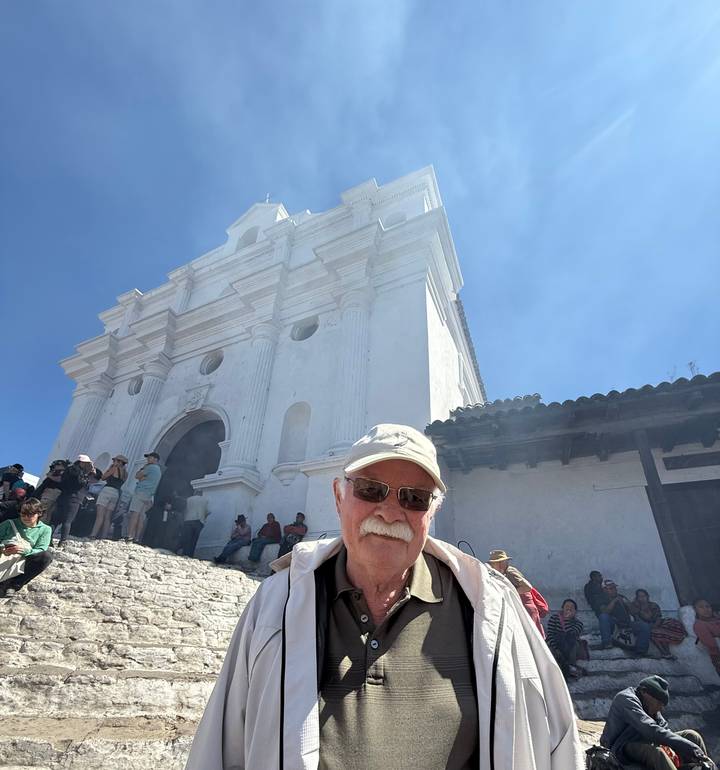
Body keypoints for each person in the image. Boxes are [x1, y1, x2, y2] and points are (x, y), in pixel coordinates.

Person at [186, 423, 583, 770]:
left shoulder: (491, 608)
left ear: (432, 513)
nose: (391, 512)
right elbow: (222, 748)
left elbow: (555, 743)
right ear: (339, 497)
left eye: (414, 498)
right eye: (371, 490)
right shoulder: (277, 602)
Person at [600, 675, 714, 769]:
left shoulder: (650, 706)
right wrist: (691, 748)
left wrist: (692, 749)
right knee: (657, 752)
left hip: (643, 740)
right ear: (645, 692)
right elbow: (651, 730)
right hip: (621, 746)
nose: (660, 708)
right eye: (659, 703)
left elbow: (663, 728)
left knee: (692, 736)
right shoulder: (626, 699)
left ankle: (704, 766)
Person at [0, 498, 53, 598]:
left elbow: (41, 549)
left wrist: (25, 551)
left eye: (30, 514)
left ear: (39, 514)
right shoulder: (9, 524)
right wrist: (3, 548)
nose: (26, 517)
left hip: (24, 560)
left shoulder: (45, 529)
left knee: (46, 556)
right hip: (4, 558)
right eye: (23, 514)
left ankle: (14, 585)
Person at [488, 549, 546, 635]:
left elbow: (527, 587)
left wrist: (508, 592)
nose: (494, 565)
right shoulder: (500, 574)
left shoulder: (510, 572)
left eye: (496, 563)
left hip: (525, 609)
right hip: (517, 609)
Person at [630, 589, 687, 660]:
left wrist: (655, 625)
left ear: (647, 596)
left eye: (643, 596)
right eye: (639, 596)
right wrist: (641, 611)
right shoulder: (635, 606)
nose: (642, 598)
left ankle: (668, 651)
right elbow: (637, 619)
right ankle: (664, 653)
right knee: (654, 632)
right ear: (637, 598)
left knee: (665, 627)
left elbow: (658, 618)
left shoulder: (653, 605)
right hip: (644, 625)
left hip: (656, 623)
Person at [597, 580, 650, 653]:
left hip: (626, 623)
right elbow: (605, 611)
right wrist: (614, 601)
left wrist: (628, 603)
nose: (614, 590)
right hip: (613, 624)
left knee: (644, 626)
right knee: (603, 617)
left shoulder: (621, 597)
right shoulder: (601, 599)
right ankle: (607, 643)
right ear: (604, 590)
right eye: (611, 588)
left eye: (615, 588)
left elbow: (634, 612)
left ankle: (641, 650)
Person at [56, 455, 95, 546]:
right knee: (68, 520)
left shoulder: (68, 470)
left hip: (63, 496)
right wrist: (88, 474)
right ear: (83, 463)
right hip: (74, 498)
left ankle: (49, 540)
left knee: (56, 520)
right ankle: (63, 541)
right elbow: (81, 482)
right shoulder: (79, 472)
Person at [126, 452, 162, 543]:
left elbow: (137, 475)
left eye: (150, 457)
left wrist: (143, 471)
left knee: (135, 514)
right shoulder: (158, 470)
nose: (148, 459)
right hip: (149, 495)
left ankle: (129, 536)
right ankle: (137, 538)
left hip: (141, 492)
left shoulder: (149, 467)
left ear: (155, 459)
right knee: (141, 517)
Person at [90, 455, 128, 539]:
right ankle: (104, 536)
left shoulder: (114, 468)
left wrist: (109, 469)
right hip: (116, 493)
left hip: (107, 490)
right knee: (108, 516)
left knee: (100, 515)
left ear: (119, 462)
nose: (113, 462)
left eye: (115, 460)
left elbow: (103, 477)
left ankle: (93, 534)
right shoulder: (125, 473)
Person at [546, 598, 585, 679]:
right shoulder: (554, 618)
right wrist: (555, 648)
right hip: (556, 644)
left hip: (570, 646)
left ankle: (569, 665)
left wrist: (566, 620)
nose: (569, 608)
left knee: (569, 639)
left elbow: (571, 634)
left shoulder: (578, 623)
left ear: (575, 611)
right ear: (562, 608)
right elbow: (550, 634)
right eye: (567, 606)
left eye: (572, 607)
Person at [693, 599, 720, 676]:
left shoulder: (716, 620)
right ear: (695, 610)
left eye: (708, 606)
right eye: (701, 607)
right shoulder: (700, 624)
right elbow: (711, 644)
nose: (706, 609)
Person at [180, 492, 210, 557]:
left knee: (187, 538)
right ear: (201, 494)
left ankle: (185, 553)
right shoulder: (205, 500)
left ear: (194, 493)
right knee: (194, 540)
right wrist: (203, 519)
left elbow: (184, 510)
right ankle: (191, 554)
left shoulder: (188, 499)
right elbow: (208, 512)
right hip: (198, 522)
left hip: (188, 520)